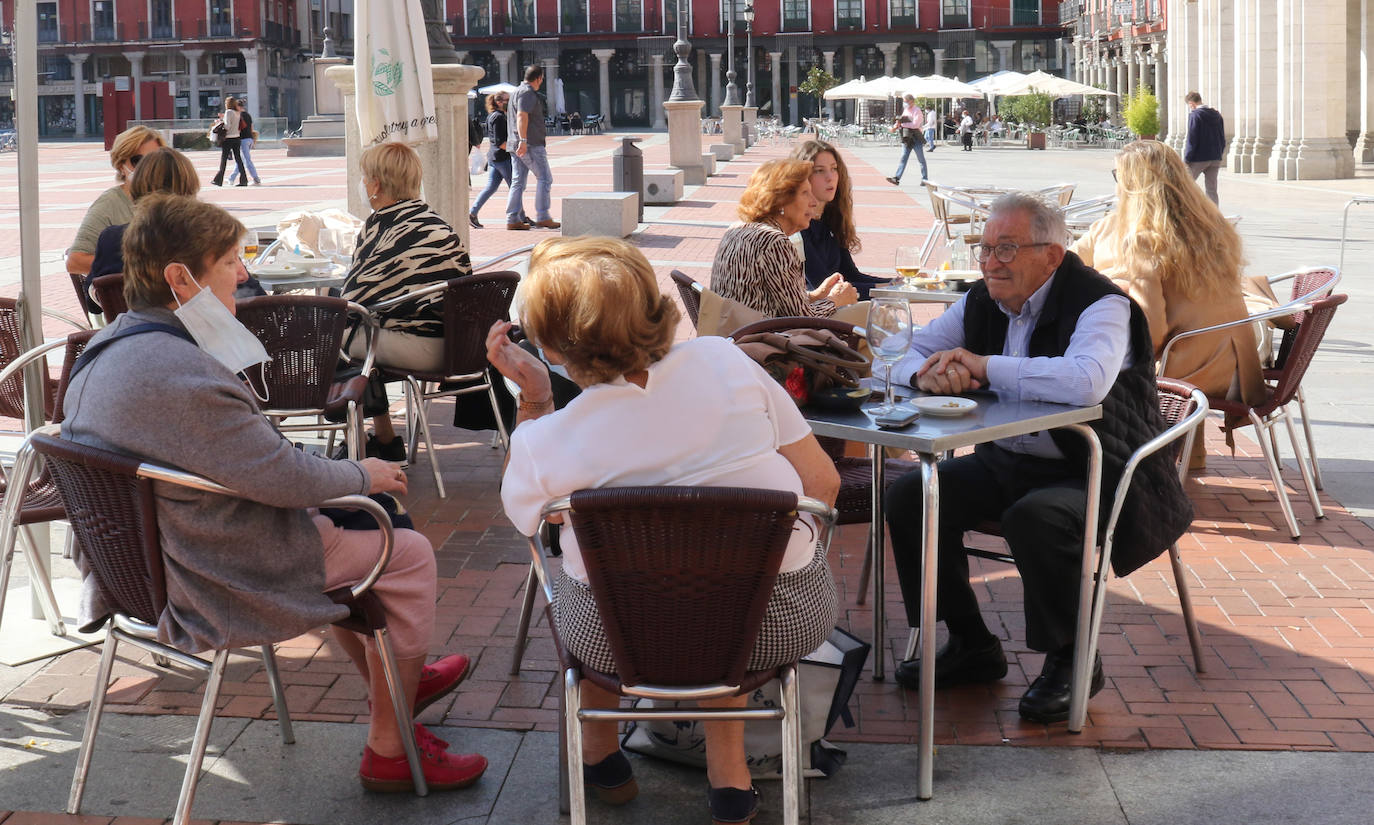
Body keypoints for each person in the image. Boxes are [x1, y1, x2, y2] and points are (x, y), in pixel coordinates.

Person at [61, 193, 486, 792]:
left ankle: (396, 686)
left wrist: (342, 480)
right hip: (214, 568)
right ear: (181, 278)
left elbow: (256, 462)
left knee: (361, 524)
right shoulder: (181, 373)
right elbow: (281, 479)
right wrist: (365, 474)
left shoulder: (106, 349)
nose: (242, 274)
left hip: (145, 562)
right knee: (404, 551)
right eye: (230, 261)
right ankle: (390, 746)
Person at [491, 236, 839, 823]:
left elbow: (528, 517)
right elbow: (822, 484)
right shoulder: (727, 362)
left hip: (620, 636)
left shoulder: (548, 439)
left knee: (608, 584)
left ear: (551, 343)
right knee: (726, 581)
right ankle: (728, 776)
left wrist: (534, 402)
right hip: (777, 619)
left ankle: (599, 749)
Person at [883, 192, 1192, 724]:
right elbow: (897, 350)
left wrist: (983, 366)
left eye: (1006, 249)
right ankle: (972, 643)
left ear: (1052, 255)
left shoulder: (1103, 305)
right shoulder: (983, 299)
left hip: (1097, 470)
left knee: (1037, 516)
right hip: (1007, 462)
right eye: (983, 250)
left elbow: (1085, 381)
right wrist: (925, 374)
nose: (990, 263)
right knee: (913, 494)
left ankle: (1073, 659)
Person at [1071, 140, 1265, 468]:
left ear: (1131, 184)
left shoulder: (1141, 239)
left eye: (1119, 176)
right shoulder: (1210, 224)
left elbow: (1150, 331)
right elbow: (1071, 260)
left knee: (1089, 370)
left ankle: (1109, 467)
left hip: (1190, 370)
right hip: (1236, 364)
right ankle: (1191, 456)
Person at [345, 142, 473, 460]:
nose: (362, 184)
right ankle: (384, 438)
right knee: (357, 336)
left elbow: (354, 300)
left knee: (331, 337)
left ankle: (368, 442)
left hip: (422, 347)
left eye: (364, 178)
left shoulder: (384, 227)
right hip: (460, 347)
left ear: (375, 185)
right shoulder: (433, 222)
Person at [710, 159, 858, 319]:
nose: (814, 202)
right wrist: (836, 300)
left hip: (736, 334)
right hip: (760, 338)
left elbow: (776, 301)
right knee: (862, 315)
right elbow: (802, 319)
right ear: (781, 201)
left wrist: (816, 295)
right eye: (805, 193)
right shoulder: (773, 241)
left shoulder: (737, 228)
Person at [793, 139, 898, 301]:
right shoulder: (798, 227)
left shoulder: (830, 220)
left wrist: (896, 283)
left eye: (834, 169)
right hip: (816, 315)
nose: (830, 177)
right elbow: (822, 286)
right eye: (819, 171)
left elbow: (850, 274)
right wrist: (889, 288)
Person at [88, 147, 201, 286]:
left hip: (128, 307)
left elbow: (94, 299)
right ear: (191, 186)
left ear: (138, 186)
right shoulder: (213, 235)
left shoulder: (113, 238)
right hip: (200, 307)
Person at [65, 124, 167, 278]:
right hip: (132, 298)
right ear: (121, 165)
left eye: (154, 160)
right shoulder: (109, 204)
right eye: (138, 160)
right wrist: (137, 268)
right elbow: (74, 261)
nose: (147, 167)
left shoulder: (174, 200)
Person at [505, 64, 560, 231]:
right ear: (538, 78)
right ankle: (543, 216)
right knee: (545, 178)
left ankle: (513, 218)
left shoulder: (515, 91)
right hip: (530, 144)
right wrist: (523, 140)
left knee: (518, 182)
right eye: (541, 79)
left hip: (515, 143)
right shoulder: (527, 93)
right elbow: (522, 116)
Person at [469, 91, 516, 229]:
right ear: (500, 102)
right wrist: (516, 149)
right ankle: (518, 216)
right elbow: (499, 141)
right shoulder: (498, 117)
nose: (510, 102)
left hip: (496, 157)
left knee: (491, 187)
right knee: (515, 187)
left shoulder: (496, 116)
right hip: (501, 157)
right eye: (508, 99)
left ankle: (472, 213)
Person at [1183, 91, 1226, 205]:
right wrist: (1219, 153)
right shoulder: (1217, 114)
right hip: (1215, 157)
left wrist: (1187, 159)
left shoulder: (1195, 115)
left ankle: (1188, 212)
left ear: (1191, 103)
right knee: (1212, 190)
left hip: (1199, 158)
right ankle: (1214, 216)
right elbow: (1222, 137)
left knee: (1185, 185)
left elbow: (1192, 139)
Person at [885, 94, 928, 186]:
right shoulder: (906, 110)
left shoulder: (917, 111)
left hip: (916, 138)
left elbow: (916, 125)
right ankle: (897, 178)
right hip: (907, 137)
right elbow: (900, 121)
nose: (904, 103)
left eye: (906, 101)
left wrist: (903, 124)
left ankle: (925, 179)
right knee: (903, 157)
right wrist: (895, 127)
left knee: (921, 159)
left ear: (911, 101)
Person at [211, 96, 248, 187]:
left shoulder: (228, 112)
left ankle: (218, 180)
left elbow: (227, 126)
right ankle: (244, 180)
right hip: (237, 137)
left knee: (224, 160)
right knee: (238, 159)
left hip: (228, 138)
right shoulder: (237, 112)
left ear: (227, 104)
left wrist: (220, 123)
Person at [227, 98, 261, 186]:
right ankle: (231, 178)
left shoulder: (238, 115)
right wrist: (253, 139)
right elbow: (251, 128)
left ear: (238, 106)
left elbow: (235, 128)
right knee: (241, 160)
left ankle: (256, 178)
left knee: (246, 160)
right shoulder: (248, 115)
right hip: (249, 139)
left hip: (242, 139)